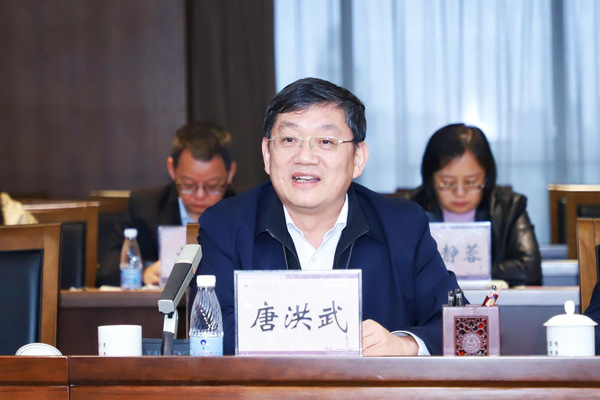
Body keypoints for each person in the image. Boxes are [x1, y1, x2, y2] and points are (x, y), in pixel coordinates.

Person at [191, 77, 461, 356]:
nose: (305, 157)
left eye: (325, 141)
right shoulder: (225, 226)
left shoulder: (403, 226)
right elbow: (212, 330)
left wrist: (403, 345)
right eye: (289, 140)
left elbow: (456, 322)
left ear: (358, 158)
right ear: (267, 154)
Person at [96, 121, 237, 287]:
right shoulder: (144, 207)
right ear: (172, 169)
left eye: (212, 186)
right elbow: (107, 271)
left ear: (230, 173)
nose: (200, 195)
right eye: (188, 184)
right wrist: (144, 272)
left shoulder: (244, 210)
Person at [409, 123, 542, 287]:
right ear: (430, 179)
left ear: (486, 177)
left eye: (471, 182)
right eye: (447, 183)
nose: (460, 193)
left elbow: (529, 269)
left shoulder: (509, 207)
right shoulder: (409, 209)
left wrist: (468, 272)